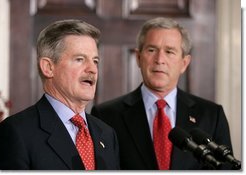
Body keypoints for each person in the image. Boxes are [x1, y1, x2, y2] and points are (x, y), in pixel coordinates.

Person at [91, 17, 233, 170]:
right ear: (138, 58)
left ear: (184, 63)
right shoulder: (105, 115)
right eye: (151, 50)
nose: (160, 59)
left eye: (169, 51)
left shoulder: (212, 115)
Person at [0, 19, 120, 170]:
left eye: (95, 61)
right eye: (80, 59)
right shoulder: (14, 133)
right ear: (48, 67)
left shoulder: (106, 133)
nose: (92, 69)